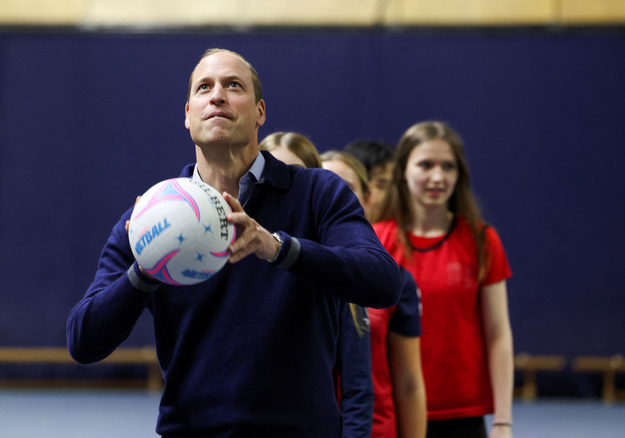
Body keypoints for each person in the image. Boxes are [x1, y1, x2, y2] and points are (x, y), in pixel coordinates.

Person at [66, 48, 402, 437]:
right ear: (188, 114)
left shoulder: (318, 192)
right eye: (204, 87)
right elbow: (83, 341)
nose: (218, 95)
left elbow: (382, 281)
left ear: (260, 112)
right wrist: (145, 270)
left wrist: (278, 248)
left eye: (233, 86)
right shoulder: (146, 222)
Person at [374, 121, 514, 438]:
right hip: (396, 411)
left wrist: (503, 421)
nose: (438, 177)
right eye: (426, 165)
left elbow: (498, 332)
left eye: (448, 166)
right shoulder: (378, 240)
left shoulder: (482, 240)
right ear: (403, 170)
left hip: (462, 415)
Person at [260, 133, 374, 438]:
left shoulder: (335, 275)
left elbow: (357, 391)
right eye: (272, 172)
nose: (280, 187)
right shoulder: (236, 260)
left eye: (295, 173)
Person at [329, 146, 427, 438]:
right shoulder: (285, 275)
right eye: (321, 185)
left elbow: (409, 384)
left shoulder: (393, 280)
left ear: (367, 198)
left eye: (345, 188)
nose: (331, 197)